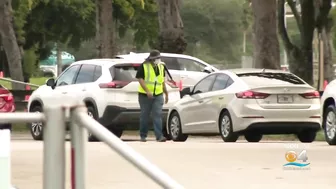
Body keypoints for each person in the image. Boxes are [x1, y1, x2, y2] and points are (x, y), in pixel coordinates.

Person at [135, 50, 169, 142]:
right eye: (156, 58)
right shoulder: (144, 66)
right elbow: (140, 79)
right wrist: (147, 91)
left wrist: (166, 93)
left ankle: (159, 136)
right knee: (144, 115)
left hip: (158, 94)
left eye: (159, 58)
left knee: (157, 115)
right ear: (152, 59)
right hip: (145, 95)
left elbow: (161, 81)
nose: (158, 60)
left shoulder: (161, 67)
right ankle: (143, 135)